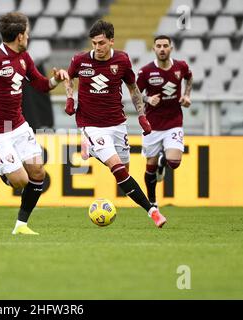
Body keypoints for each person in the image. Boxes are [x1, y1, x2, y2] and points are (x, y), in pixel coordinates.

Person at [0, 12, 69, 235]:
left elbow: (41, 85)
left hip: (19, 126)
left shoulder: (24, 58)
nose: (28, 37)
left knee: (38, 173)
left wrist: (56, 79)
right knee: (20, 181)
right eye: (27, 33)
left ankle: (21, 225)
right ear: (20, 36)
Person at [64, 20, 166, 228]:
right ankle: (152, 211)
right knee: (118, 169)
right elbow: (68, 77)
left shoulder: (122, 60)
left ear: (111, 41)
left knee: (124, 173)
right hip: (90, 124)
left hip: (117, 124)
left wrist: (142, 115)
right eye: (94, 43)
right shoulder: (80, 61)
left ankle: (91, 150)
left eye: (101, 43)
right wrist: (70, 99)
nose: (97, 48)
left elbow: (133, 88)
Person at [136, 35, 193, 207]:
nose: (162, 49)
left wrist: (187, 95)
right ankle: (152, 201)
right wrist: (147, 100)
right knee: (150, 166)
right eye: (159, 46)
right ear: (153, 49)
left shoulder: (180, 66)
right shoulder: (146, 71)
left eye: (165, 46)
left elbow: (189, 77)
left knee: (174, 162)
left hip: (174, 122)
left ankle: (164, 161)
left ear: (171, 48)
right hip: (152, 125)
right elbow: (135, 93)